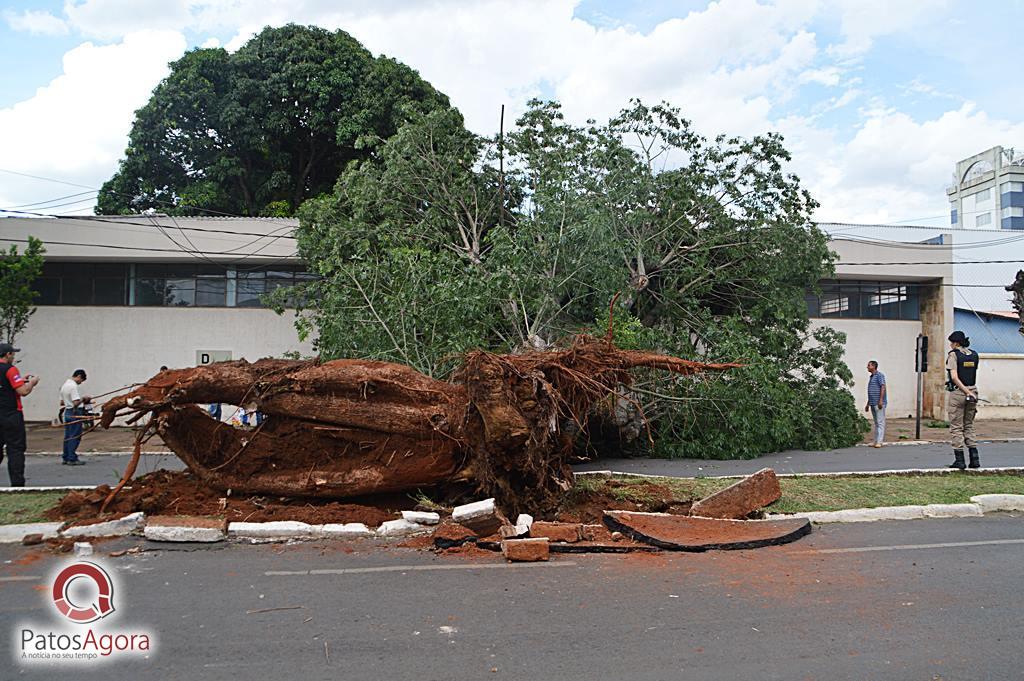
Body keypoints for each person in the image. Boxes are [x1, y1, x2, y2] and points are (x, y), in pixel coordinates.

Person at [0, 343, 39, 487]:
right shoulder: (10, 370)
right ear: (7, 354)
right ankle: (17, 484)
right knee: (15, 449)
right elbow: (23, 391)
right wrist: (32, 383)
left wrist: (20, 380)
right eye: (12, 354)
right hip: (11, 414)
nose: (13, 356)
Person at [946, 330, 981, 470]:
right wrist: (971, 392)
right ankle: (975, 459)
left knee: (956, 427)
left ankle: (959, 461)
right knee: (969, 425)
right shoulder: (974, 354)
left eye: (951, 342)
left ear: (956, 343)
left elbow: (954, 377)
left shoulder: (953, 355)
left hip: (959, 393)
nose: (950, 345)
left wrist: (965, 391)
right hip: (974, 391)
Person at [59, 369, 91, 466]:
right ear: (79, 376)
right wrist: (84, 398)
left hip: (67, 412)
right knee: (75, 436)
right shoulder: (73, 386)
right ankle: (72, 458)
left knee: (68, 436)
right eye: (82, 380)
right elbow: (76, 403)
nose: (81, 383)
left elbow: (62, 402)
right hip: (75, 412)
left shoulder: (64, 386)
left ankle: (66, 456)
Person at [863, 360, 887, 448]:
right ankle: (876, 441)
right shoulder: (872, 377)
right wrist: (868, 404)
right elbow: (871, 391)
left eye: (869, 365)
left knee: (880, 422)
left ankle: (879, 441)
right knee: (876, 423)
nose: (867, 367)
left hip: (879, 403)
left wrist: (881, 400)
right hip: (873, 403)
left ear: (874, 366)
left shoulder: (879, 376)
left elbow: (883, 387)